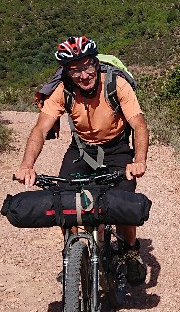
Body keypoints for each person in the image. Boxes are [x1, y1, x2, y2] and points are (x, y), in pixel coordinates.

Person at [14, 35, 149, 285]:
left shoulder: (116, 84)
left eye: (87, 66)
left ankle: (130, 251)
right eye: (75, 70)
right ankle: (73, 257)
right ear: (66, 71)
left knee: (123, 203)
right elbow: (40, 129)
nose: (83, 75)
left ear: (96, 64)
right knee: (66, 203)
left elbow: (139, 124)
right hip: (81, 149)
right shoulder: (63, 89)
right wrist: (27, 165)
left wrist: (138, 160)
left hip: (116, 148)